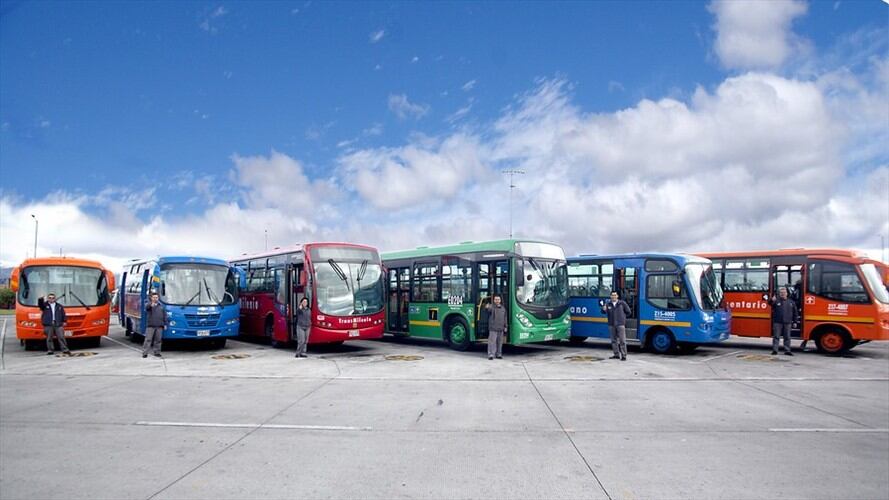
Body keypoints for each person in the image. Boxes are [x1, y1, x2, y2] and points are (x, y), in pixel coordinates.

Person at [768, 287, 798, 356]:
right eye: (781, 293)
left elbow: (795, 313)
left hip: (788, 322)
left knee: (787, 337)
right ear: (779, 294)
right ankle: (775, 350)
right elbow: (769, 303)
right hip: (777, 322)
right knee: (776, 337)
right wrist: (771, 300)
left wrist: (795, 322)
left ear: (787, 294)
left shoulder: (791, 302)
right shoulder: (776, 301)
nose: (782, 294)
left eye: (784, 292)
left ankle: (787, 350)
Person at [601, 291, 631, 361]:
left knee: (622, 340)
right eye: (612, 295)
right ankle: (616, 354)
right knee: (613, 340)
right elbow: (603, 312)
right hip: (611, 325)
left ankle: (624, 355)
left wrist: (622, 318)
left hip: (620, 325)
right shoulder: (608, 304)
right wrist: (603, 309)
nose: (613, 297)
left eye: (615, 295)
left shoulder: (622, 303)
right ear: (610, 296)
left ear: (617, 296)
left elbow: (628, 312)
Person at [142, 290, 166, 358]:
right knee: (148, 339)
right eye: (154, 297)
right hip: (151, 326)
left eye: (156, 297)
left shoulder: (161, 306)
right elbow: (146, 308)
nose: (155, 298)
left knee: (158, 340)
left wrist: (165, 324)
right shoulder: (149, 304)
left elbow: (165, 315)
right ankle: (145, 353)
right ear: (151, 298)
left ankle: (157, 352)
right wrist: (151, 305)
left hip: (159, 326)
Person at [486, 295, 507, 360]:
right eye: (496, 299)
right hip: (493, 328)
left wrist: (505, 326)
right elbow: (488, 310)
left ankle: (498, 354)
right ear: (494, 300)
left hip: (501, 328)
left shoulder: (503, 308)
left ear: (500, 300)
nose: (497, 301)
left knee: (499, 342)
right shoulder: (491, 307)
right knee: (492, 342)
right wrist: (487, 307)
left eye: (498, 299)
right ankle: (491, 355)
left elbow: (505, 318)